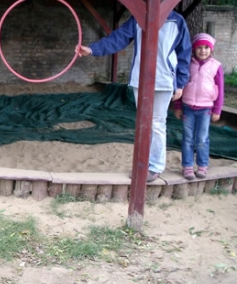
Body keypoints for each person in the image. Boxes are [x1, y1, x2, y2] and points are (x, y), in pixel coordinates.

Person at [75, 10, 192, 182]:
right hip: (141, 79)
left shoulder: (177, 21)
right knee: (144, 123)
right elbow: (118, 38)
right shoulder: (139, 17)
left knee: (157, 123)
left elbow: (184, 53)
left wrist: (180, 83)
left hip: (164, 80)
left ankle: (155, 166)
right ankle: (143, 163)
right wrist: (92, 50)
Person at [173, 33, 224, 180]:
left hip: (206, 109)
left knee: (202, 139)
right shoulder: (187, 64)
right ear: (194, 49)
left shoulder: (216, 66)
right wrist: (177, 105)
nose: (203, 51)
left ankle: (202, 166)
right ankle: (188, 167)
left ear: (211, 49)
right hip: (188, 107)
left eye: (206, 48)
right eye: (199, 47)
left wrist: (217, 109)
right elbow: (180, 84)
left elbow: (220, 89)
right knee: (188, 138)